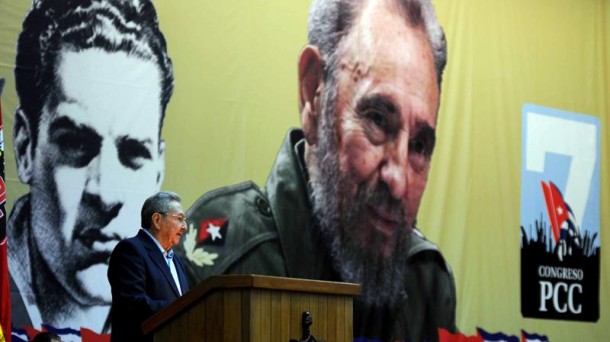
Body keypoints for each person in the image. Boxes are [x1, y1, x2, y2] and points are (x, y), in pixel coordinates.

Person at [177, 0, 457, 340]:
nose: (398, 181)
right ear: (313, 95)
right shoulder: (217, 264)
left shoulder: (425, 283)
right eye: (378, 120)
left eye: (419, 146)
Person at [8, 0, 173, 332]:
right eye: (76, 144)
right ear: (25, 149)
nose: (106, 193)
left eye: (132, 153)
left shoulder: (176, 305)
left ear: (157, 173)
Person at [107, 191, 189, 342]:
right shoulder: (130, 250)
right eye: (179, 219)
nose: (185, 226)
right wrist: (184, 307)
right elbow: (133, 304)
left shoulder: (178, 262)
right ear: (157, 220)